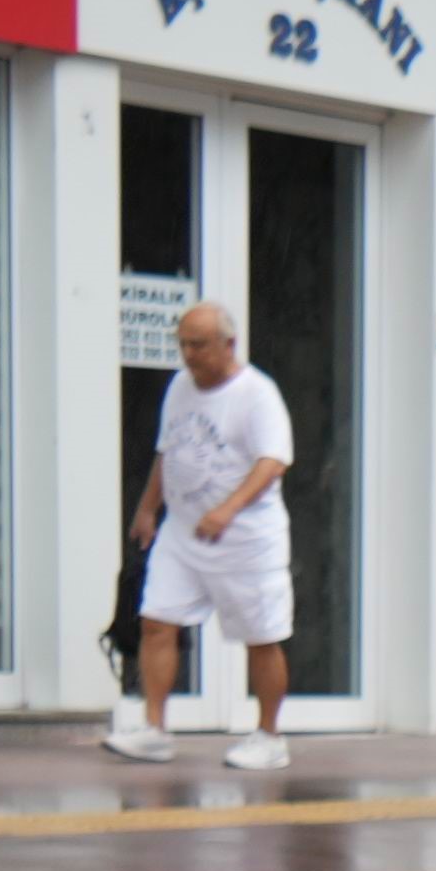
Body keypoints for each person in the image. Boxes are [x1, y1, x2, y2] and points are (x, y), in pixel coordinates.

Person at [116, 302, 294, 772]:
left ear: (228, 345)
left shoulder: (257, 394)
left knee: (261, 636)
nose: (189, 355)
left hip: (245, 539)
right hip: (183, 532)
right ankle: (154, 730)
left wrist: (227, 509)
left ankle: (269, 736)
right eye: (184, 345)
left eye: (199, 345)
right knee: (156, 619)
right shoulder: (180, 387)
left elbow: (273, 461)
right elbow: (168, 449)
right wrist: (148, 508)